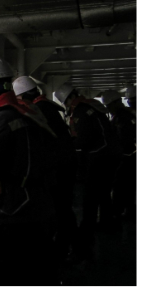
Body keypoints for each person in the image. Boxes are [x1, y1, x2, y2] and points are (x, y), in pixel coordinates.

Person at [0, 59, 57, 285]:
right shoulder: (30, 112)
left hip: (16, 209)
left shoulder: (1, 119)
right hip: (42, 201)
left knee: (16, 271)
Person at [13, 76, 78, 264]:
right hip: (65, 165)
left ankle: (66, 250)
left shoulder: (38, 111)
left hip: (59, 169)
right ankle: (73, 248)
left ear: (23, 96)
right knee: (63, 209)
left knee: (61, 210)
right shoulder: (47, 108)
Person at [54, 83, 120, 256]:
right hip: (110, 155)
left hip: (99, 158)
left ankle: (86, 232)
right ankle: (107, 222)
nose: (67, 106)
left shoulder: (81, 111)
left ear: (68, 99)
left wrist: (68, 148)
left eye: (66, 103)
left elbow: (82, 141)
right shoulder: (92, 105)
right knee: (104, 193)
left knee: (90, 197)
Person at [101, 89, 136, 221]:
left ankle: (118, 211)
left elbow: (121, 139)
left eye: (108, 106)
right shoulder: (128, 114)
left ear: (115, 103)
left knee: (121, 185)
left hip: (125, 157)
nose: (108, 109)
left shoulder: (121, 118)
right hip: (129, 156)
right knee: (128, 186)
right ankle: (128, 210)